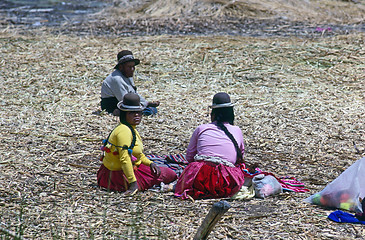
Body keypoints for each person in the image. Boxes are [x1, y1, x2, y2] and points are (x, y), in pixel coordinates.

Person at [97, 93, 177, 193]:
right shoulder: (124, 131)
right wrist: (133, 184)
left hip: (120, 171)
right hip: (117, 177)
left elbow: (136, 154)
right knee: (168, 175)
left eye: (138, 112)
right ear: (124, 114)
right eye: (131, 112)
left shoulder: (130, 128)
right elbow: (125, 158)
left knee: (167, 173)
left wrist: (150, 163)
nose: (136, 115)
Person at [174, 92, 247, 199]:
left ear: (213, 113)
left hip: (199, 178)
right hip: (225, 180)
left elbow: (189, 157)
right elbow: (239, 158)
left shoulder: (201, 128)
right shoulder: (237, 130)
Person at [100, 50, 160, 116]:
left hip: (127, 102)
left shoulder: (127, 75)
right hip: (114, 105)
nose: (132, 70)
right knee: (149, 111)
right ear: (121, 67)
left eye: (133, 67)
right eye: (129, 67)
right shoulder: (116, 79)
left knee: (152, 109)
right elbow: (124, 100)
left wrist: (146, 103)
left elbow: (133, 93)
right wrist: (145, 105)